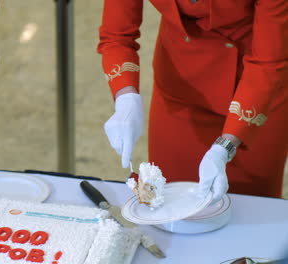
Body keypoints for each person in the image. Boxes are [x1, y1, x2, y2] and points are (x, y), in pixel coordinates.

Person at [98, 0, 287, 200]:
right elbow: (116, 35)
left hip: (256, 99)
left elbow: (268, 63)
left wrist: (226, 146)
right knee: (169, 203)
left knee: (249, 212)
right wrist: (126, 98)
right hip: (178, 91)